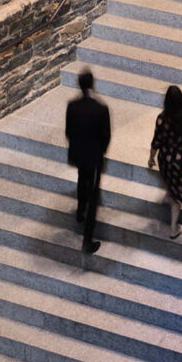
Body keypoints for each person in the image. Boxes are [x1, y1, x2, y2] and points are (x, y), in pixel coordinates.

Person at [64, 66, 110, 254]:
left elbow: (68, 132)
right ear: (92, 84)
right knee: (93, 192)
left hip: (79, 153)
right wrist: (102, 151)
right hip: (94, 155)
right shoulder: (100, 109)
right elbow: (106, 135)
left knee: (82, 178)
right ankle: (87, 239)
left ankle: (80, 210)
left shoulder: (72, 106)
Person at [148, 83, 182, 238]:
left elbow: (156, 142)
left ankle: (169, 194)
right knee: (177, 199)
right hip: (180, 161)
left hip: (165, 159)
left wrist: (151, 158)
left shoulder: (161, 119)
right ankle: (173, 229)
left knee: (169, 181)